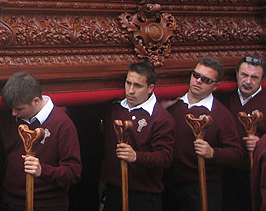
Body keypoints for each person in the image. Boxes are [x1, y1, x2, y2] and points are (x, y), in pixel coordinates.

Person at [163, 56, 243, 211]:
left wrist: (213, 152)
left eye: (206, 80)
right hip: (169, 184)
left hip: (202, 187)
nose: (198, 81)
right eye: (196, 75)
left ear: (216, 86)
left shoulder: (221, 115)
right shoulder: (171, 105)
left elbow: (236, 153)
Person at [0, 72, 81, 211]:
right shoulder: (11, 119)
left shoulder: (63, 124)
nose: (13, 113)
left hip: (47, 205)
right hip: (10, 202)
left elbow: (73, 172)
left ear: (36, 101)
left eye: (19, 109)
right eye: (11, 108)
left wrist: (43, 171)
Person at [102, 61, 175, 211]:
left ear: (150, 88)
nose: (130, 90)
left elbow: (165, 157)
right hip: (114, 192)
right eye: (128, 83)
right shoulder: (114, 108)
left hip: (144, 196)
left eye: (137, 86)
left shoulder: (161, 118)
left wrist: (136, 156)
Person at [222, 56, 266, 211]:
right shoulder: (225, 99)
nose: (248, 81)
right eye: (244, 75)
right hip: (227, 172)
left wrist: (261, 143)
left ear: (262, 80)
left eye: (254, 77)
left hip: (256, 174)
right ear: (236, 74)